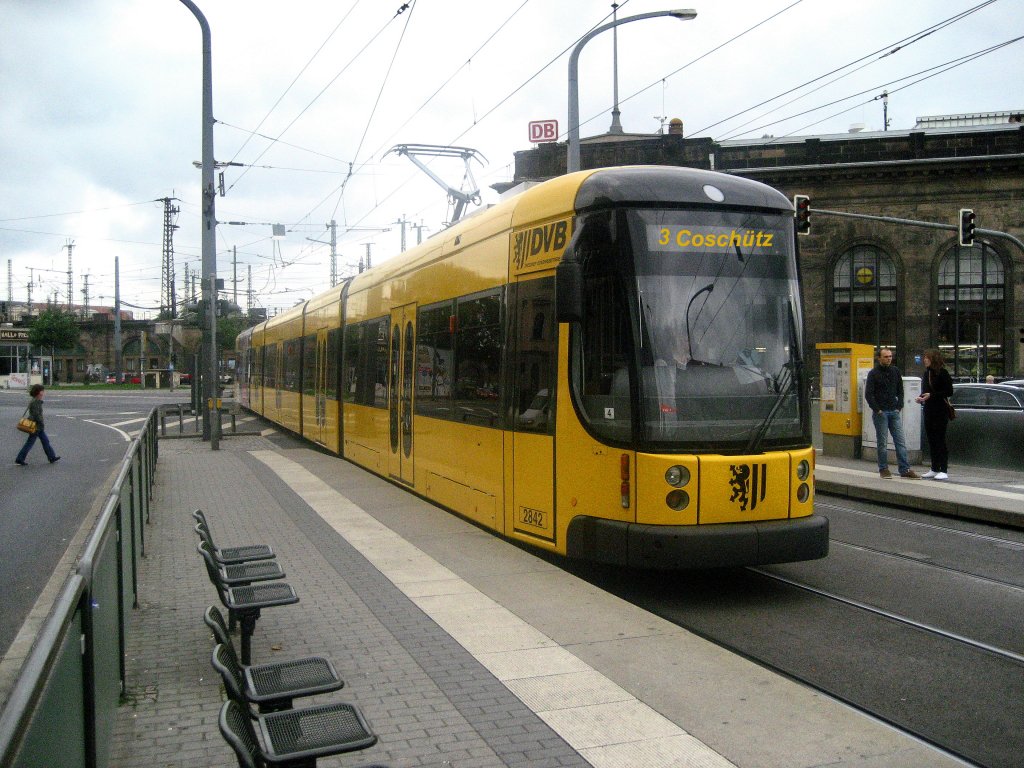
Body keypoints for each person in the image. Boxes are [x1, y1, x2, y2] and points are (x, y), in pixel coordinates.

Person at [864, 348, 919, 479]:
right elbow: (869, 394)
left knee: (900, 441)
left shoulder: (895, 371)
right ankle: (883, 468)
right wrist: (877, 410)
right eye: (886, 356)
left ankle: (904, 469)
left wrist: (899, 406)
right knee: (882, 443)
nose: (889, 358)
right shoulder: (873, 373)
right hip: (881, 412)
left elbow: (900, 390)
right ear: (879, 358)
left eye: (890, 356)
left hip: (893, 411)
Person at [915, 348, 954, 480]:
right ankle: (934, 467)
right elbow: (926, 391)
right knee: (931, 439)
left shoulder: (943, 373)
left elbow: (949, 391)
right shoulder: (927, 374)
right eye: (924, 357)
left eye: (927, 357)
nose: (925, 360)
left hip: (940, 410)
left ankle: (943, 469)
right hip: (929, 409)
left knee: (940, 439)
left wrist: (931, 395)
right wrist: (921, 398)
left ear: (934, 359)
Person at [15, 384, 61, 466]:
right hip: (36, 427)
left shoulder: (35, 400)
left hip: (37, 426)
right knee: (31, 443)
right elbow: (36, 415)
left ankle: (51, 457)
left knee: (45, 441)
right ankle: (20, 458)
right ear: (39, 392)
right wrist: (41, 422)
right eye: (42, 391)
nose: (43, 393)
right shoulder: (35, 402)